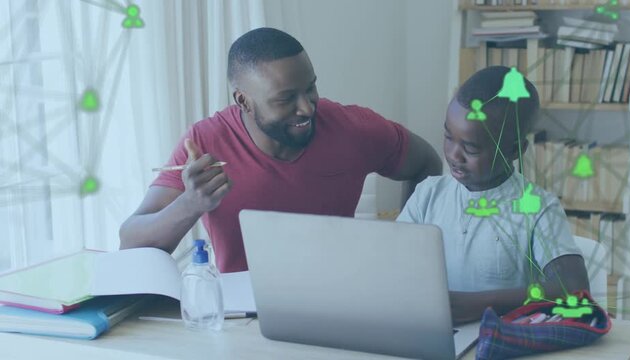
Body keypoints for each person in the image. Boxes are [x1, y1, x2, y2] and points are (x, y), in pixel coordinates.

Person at [119, 27, 442, 273]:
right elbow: (131, 242)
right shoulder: (206, 142)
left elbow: (427, 163)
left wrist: (405, 245)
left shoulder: (353, 128)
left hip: (340, 298)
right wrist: (190, 204)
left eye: (310, 88)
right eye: (286, 98)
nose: (306, 108)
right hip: (243, 315)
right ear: (243, 101)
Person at [397, 66, 589, 323]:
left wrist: (480, 305)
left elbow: (575, 287)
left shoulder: (538, 208)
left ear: (514, 151)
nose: (454, 154)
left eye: (471, 148)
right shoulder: (428, 195)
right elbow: (392, 265)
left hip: (502, 341)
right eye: (448, 137)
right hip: (433, 335)